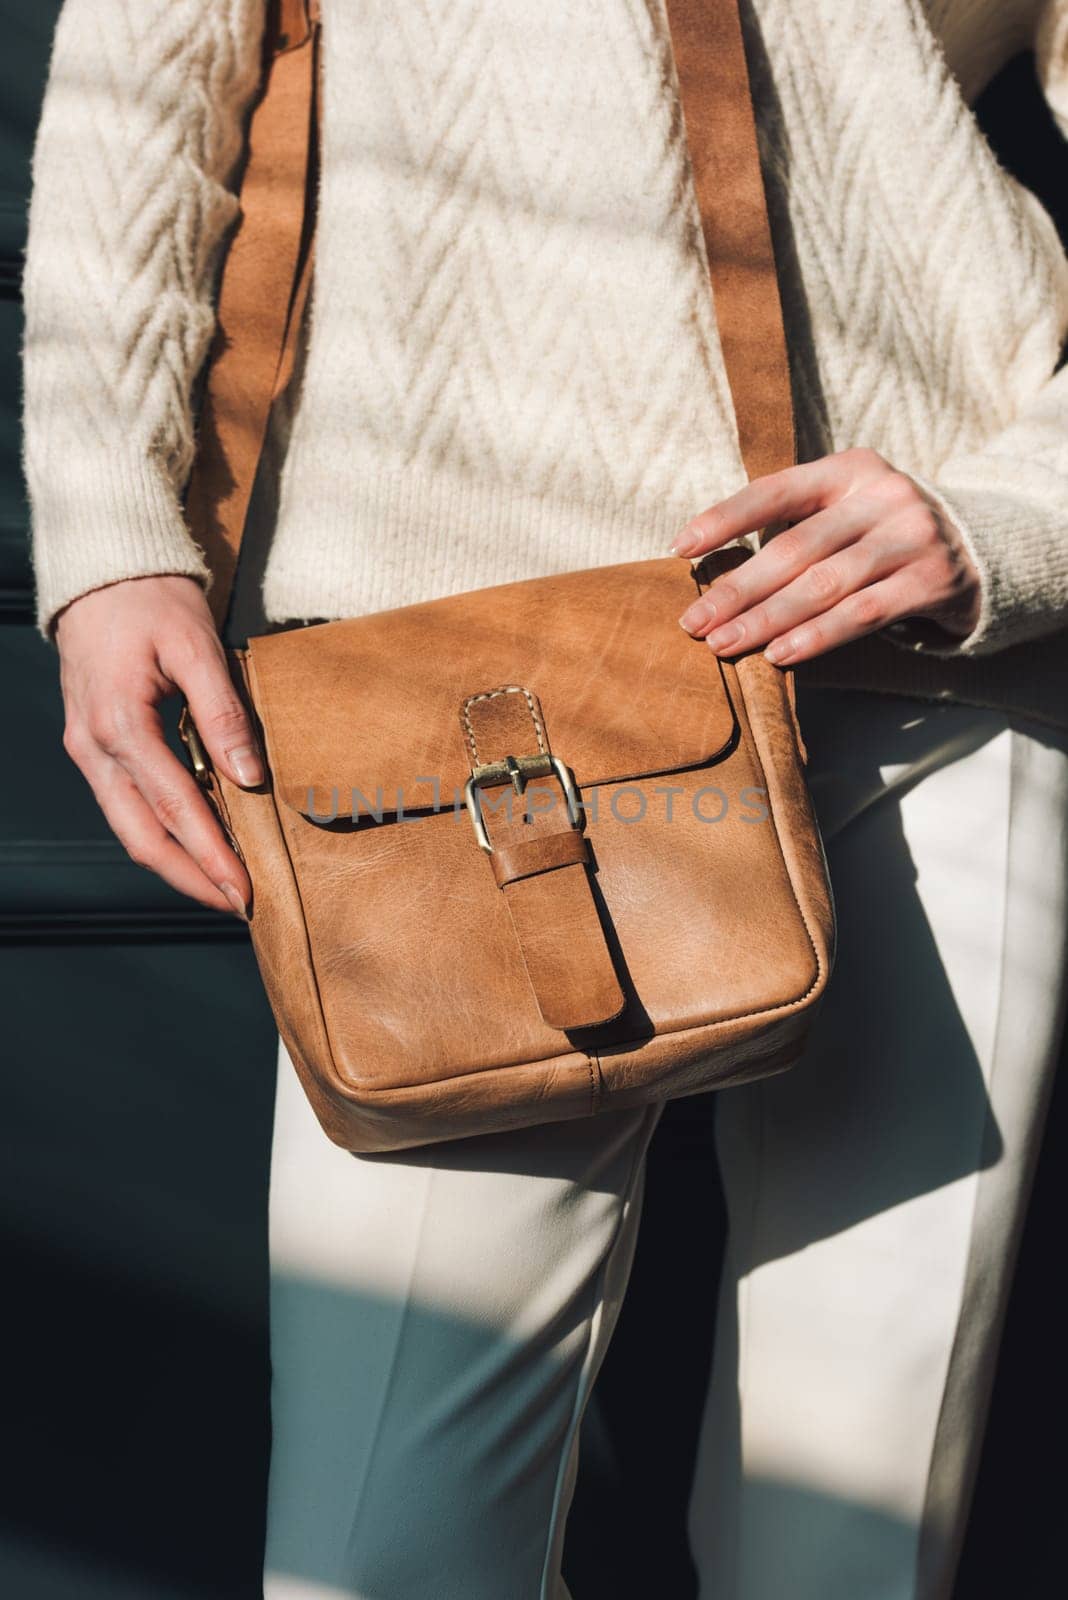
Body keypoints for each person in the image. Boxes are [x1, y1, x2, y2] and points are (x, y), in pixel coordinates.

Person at [22, 1, 1068, 1596]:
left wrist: (1028, 510)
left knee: (856, 1564)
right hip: (445, 701)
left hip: (923, 649)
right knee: (382, 1556)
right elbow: (136, 102)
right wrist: (107, 531)